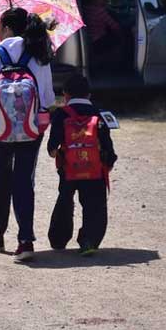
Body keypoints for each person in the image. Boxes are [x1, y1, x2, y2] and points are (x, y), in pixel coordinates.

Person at [0, 8, 56, 263]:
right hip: (31, 131)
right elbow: (49, 98)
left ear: (7, 28)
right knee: (24, 181)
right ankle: (26, 240)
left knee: (2, 180)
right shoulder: (39, 56)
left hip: (1, 130)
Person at [46, 75, 117, 255]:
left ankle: (58, 239)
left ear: (65, 94)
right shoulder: (99, 114)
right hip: (94, 170)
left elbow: (52, 148)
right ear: (89, 95)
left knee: (65, 201)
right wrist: (107, 162)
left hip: (69, 169)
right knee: (94, 205)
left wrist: (59, 153)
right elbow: (108, 147)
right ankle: (89, 241)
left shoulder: (61, 114)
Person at [81, 0, 126, 70]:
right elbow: (114, 26)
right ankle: (118, 65)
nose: (104, 0)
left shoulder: (85, 8)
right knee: (120, 37)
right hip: (99, 40)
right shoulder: (100, 11)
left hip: (89, 38)